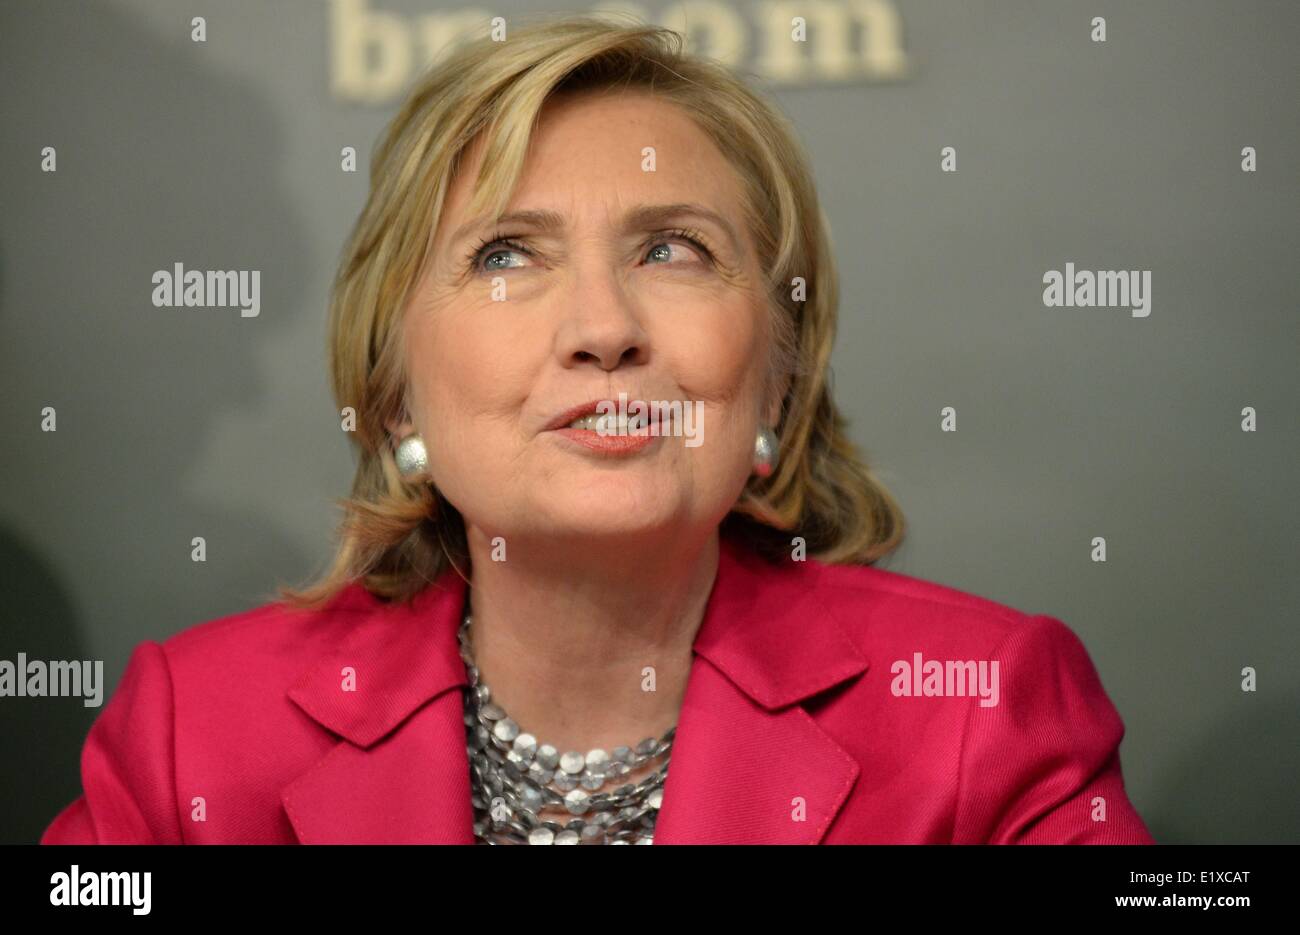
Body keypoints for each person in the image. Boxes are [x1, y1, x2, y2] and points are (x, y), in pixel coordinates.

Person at [41, 16, 1154, 845]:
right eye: (505, 255)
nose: (604, 328)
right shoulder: (191, 732)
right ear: (392, 395)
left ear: (774, 381)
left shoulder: (982, 707)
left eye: (673, 248)